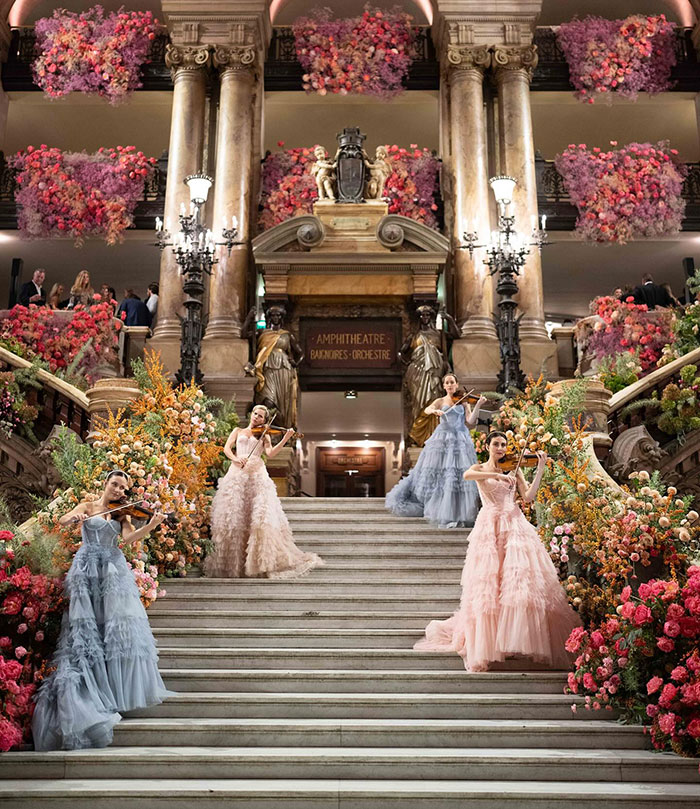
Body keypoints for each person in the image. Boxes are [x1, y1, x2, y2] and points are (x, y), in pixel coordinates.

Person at [415, 431, 580, 671]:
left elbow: (528, 496)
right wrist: (497, 476)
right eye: (496, 444)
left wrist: (541, 467)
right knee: (490, 586)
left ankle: (513, 641)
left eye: (503, 444)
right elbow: (467, 474)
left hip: (514, 525)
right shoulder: (481, 468)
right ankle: (489, 645)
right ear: (488, 445)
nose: (501, 448)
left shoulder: (515, 469)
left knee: (516, 585)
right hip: (490, 527)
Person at [31, 470, 173, 751]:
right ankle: (94, 687)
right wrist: (75, 518)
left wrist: (153, 525)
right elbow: (62, 519)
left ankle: (114, 691)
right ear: (106, 485)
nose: (119, 491)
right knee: (87, 628)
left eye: (123, 488)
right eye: (115, 484)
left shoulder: (123, 515)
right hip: (86, 570)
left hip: (113, 571)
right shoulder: (87, 506)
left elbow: (129, 541)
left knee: (114, 629)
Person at [205, 404, 323, 579]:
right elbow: (227, 448)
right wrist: (236, 459)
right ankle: (234, 565)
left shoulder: (264, 435)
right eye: (255, 414)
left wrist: (285, 438)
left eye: (260, 416)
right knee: (234, 514)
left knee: (258, 516)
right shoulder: (238, 430)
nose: (256, 418)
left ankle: (256, 563)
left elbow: (270, 453)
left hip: (257, 475)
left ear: (265, 420)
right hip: (237, 473)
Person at [386, 373, 484, 528]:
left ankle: (457, 512)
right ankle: (438, 508)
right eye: (447, 383)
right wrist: (434, 411)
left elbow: (470, 420)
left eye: (452, 382)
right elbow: (427, 410)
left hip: (460, 438)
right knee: (440, 474)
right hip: (443, 438)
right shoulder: (440, 401)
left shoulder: (464, 402)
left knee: (456, 476)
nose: (450, 385)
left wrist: (478, 404)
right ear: (444, 386)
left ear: (457, 385)